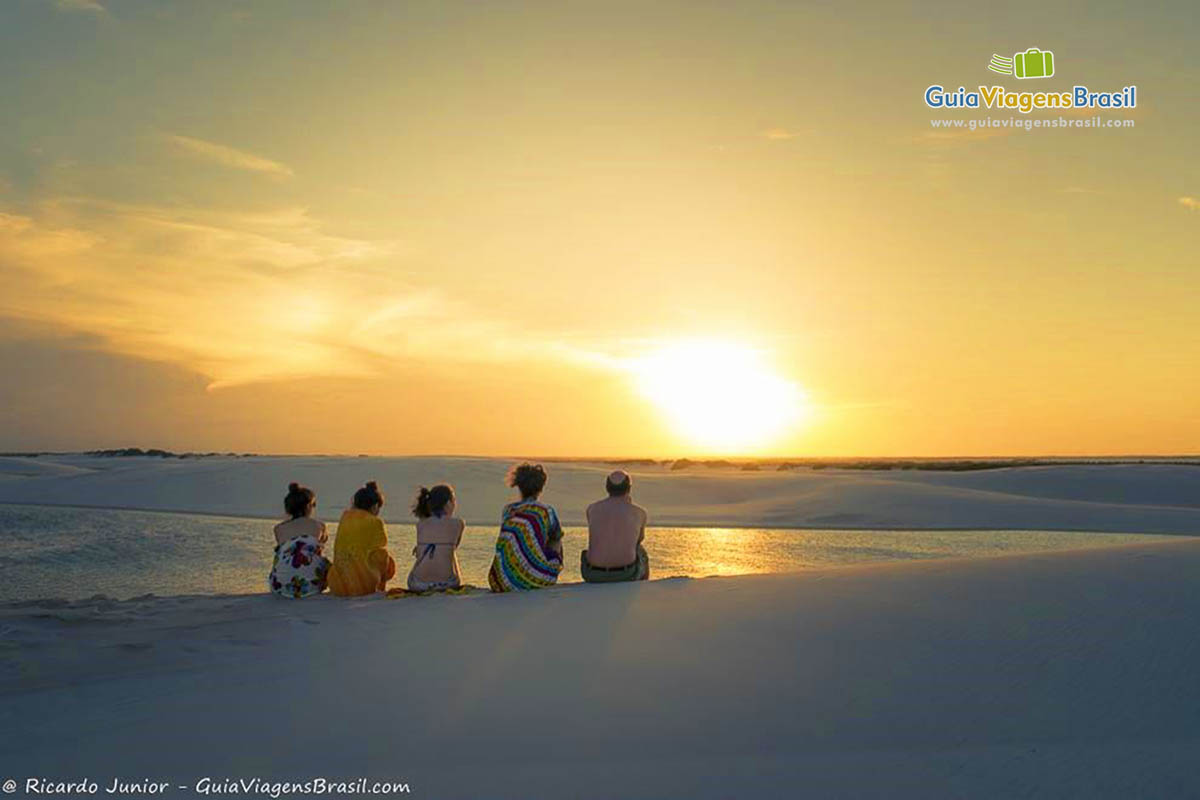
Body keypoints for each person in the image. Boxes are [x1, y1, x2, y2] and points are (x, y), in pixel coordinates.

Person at [487, 463, 563, 592]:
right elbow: (556, 537)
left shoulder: (508, 510)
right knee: (557, 537)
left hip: (500, 579)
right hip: (535, 578)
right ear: (540, 488)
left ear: (519, 486)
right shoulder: (546, 511)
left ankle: (521, 569)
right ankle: (539, 568)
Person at [327, 481, 396, 596]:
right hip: (363, 586)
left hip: (336, 584)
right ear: (375, 506)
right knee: (384, 556)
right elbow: (380, 549)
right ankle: (380, 588)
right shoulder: (375, 522)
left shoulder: (345, 517)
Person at [582, 470, 650, 583]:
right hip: (626, 574)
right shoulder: (639, 512)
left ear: (607, 487)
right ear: (629, 488)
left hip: (592, 574)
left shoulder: (592, 509)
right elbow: (638, 540)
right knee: (641, 552)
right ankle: (641, 587)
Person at [268, 482, 331, 598]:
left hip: (279, 586)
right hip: (310, 585)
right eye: (313, 504)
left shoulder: (278, 529)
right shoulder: (318, 526)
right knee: (324, 561)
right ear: (308, 506)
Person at [407, 484, 465, 592]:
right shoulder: (458, 524)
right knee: (449, 551)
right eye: (454, 500)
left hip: (418, 584)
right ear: (448, 503)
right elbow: (454, 547)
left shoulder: (421, 524)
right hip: (447, 584)